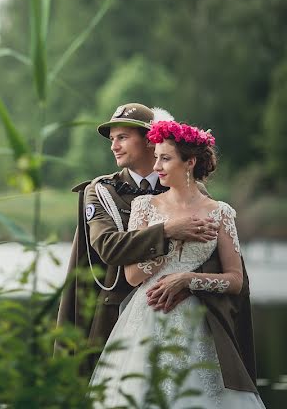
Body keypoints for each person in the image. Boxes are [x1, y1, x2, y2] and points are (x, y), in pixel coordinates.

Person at [89, 119, 265, 408]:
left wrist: (188, 280)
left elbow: (236, 280)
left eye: (165, 158)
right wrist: (171, 238)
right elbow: (133, 276)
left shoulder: (220, 212)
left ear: (190, 162)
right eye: (156, 157)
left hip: (199, 323)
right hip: (147, 317)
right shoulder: (143, 206)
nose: (156, 166)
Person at [55, 103, 219, 377]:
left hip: (179, 314)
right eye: (112, 140)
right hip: (114, 316)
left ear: (148, 140)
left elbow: (210, 251)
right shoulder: (101, 191)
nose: (114, 146)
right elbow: (109, 246)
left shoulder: (189, 186)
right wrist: (167, 230)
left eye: (122, 137)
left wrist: (188, 284)